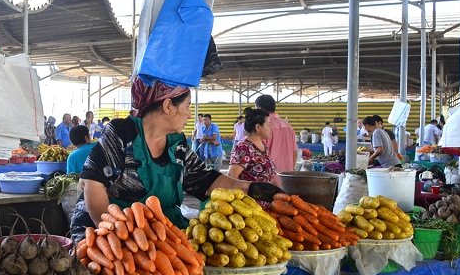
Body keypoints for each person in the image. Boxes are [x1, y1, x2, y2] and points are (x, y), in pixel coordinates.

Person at [69, 82, 283, 235]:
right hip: (104, 230)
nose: (190, 114)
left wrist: (250, 187)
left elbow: (206, 180)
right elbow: (93, 186)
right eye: (188, 106)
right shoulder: (122, 133)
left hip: (159, 233)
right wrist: (116, 236)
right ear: (168, 105)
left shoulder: (177, 143)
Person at [228, 109, 279, 183]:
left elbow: (270, 176)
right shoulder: (244, 147)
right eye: (268, 125)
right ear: (258, 127)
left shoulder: (263, 146)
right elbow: (232, 176)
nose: (270, 128)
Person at [255, 95, 297, 174]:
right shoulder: (288, 126)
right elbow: (294, 152)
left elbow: (258, 153)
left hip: (268, 176)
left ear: (259, 108)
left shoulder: (262, 126)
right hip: (287, 176)